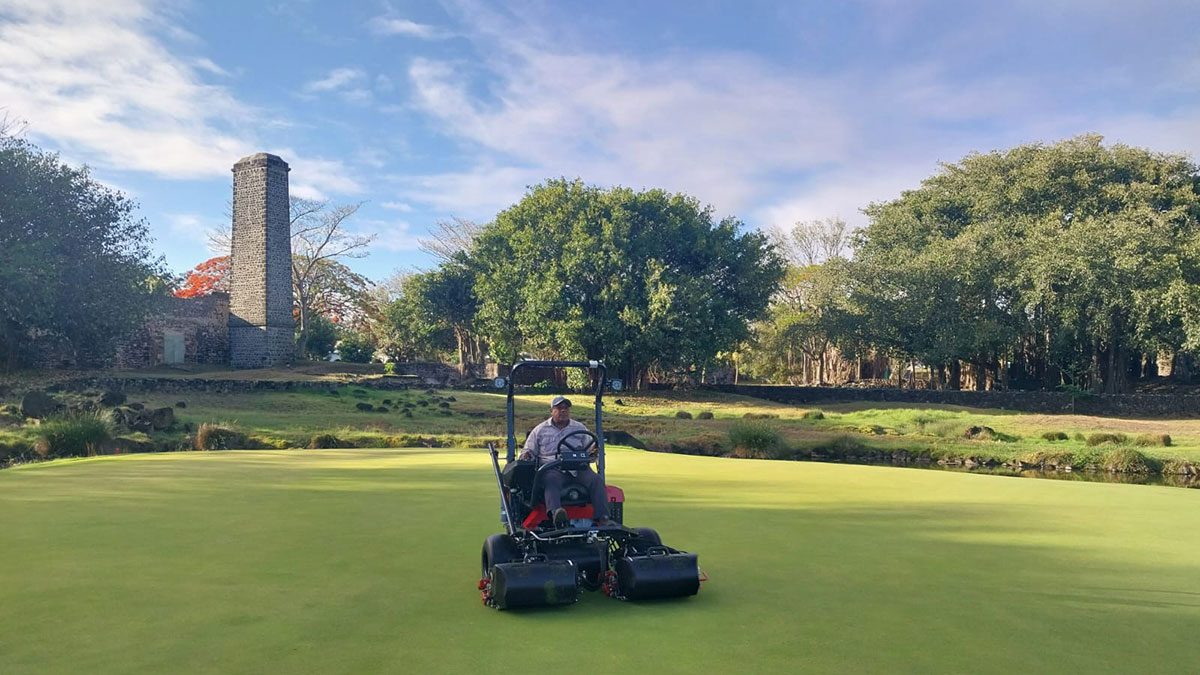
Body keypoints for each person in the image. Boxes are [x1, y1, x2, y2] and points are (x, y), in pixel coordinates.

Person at [519, 395, 613, 528]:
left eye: (566, 408)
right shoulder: (540, 430)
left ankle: (603, 518)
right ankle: (556, 514)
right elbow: (528, 450)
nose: (563, 411)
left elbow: (591, 446)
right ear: (551, 410)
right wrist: (526, 455)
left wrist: (594, 452)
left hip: (578, 468)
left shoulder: (579, 428)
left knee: (596, 480)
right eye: (559, 408)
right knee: (550, 480)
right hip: (553, 468)